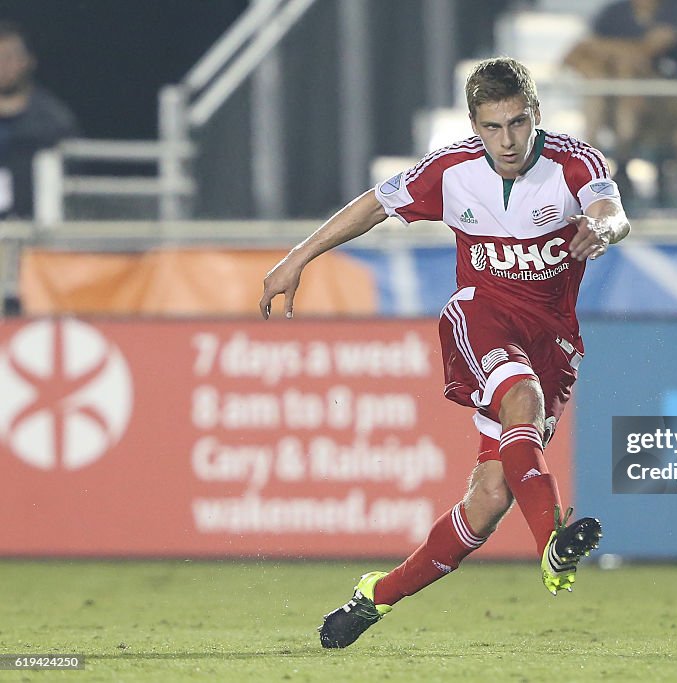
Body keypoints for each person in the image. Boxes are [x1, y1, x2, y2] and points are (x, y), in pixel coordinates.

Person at [259, 57, 630, 649]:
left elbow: (612, 211)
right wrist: (296, 258)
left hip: (552, 339)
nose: (506, 141)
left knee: (488, 500)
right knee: (521, 400)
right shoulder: (451, 170)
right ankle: (552, 545)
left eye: (516, 124)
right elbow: (372, 206)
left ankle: (375, 597)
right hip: (480, 313)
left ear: (535, 115)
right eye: (491, 127)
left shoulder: (573, 161)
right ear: (473, 125)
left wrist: (603, 230)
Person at [563, 0, 677, 165]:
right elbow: (573, 55)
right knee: (597, 73)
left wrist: (603, 49)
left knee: (626, 69)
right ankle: (595, 152)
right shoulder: (612, 13)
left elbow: (646, 50)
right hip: (613, 103)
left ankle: (622, 149)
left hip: (673, 103)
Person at [0, 22, 77, 219]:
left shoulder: (54, 120)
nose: (3, 65)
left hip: (34, 233)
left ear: (28, 61)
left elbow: (72, 183)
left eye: (10, 56)